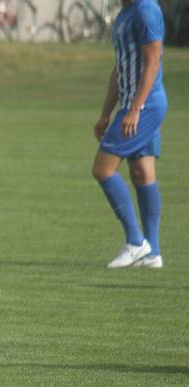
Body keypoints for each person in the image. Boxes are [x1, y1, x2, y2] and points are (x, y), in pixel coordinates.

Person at [92, 0, 167, 268]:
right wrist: (105, 112)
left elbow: (153, 62)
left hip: (144, 105)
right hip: (130, 105)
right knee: (142, 172)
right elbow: (119, 68)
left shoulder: (147, 11)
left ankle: (135, 242)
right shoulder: (125, 14)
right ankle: (152, 253)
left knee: (102, 169)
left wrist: (135, 109)